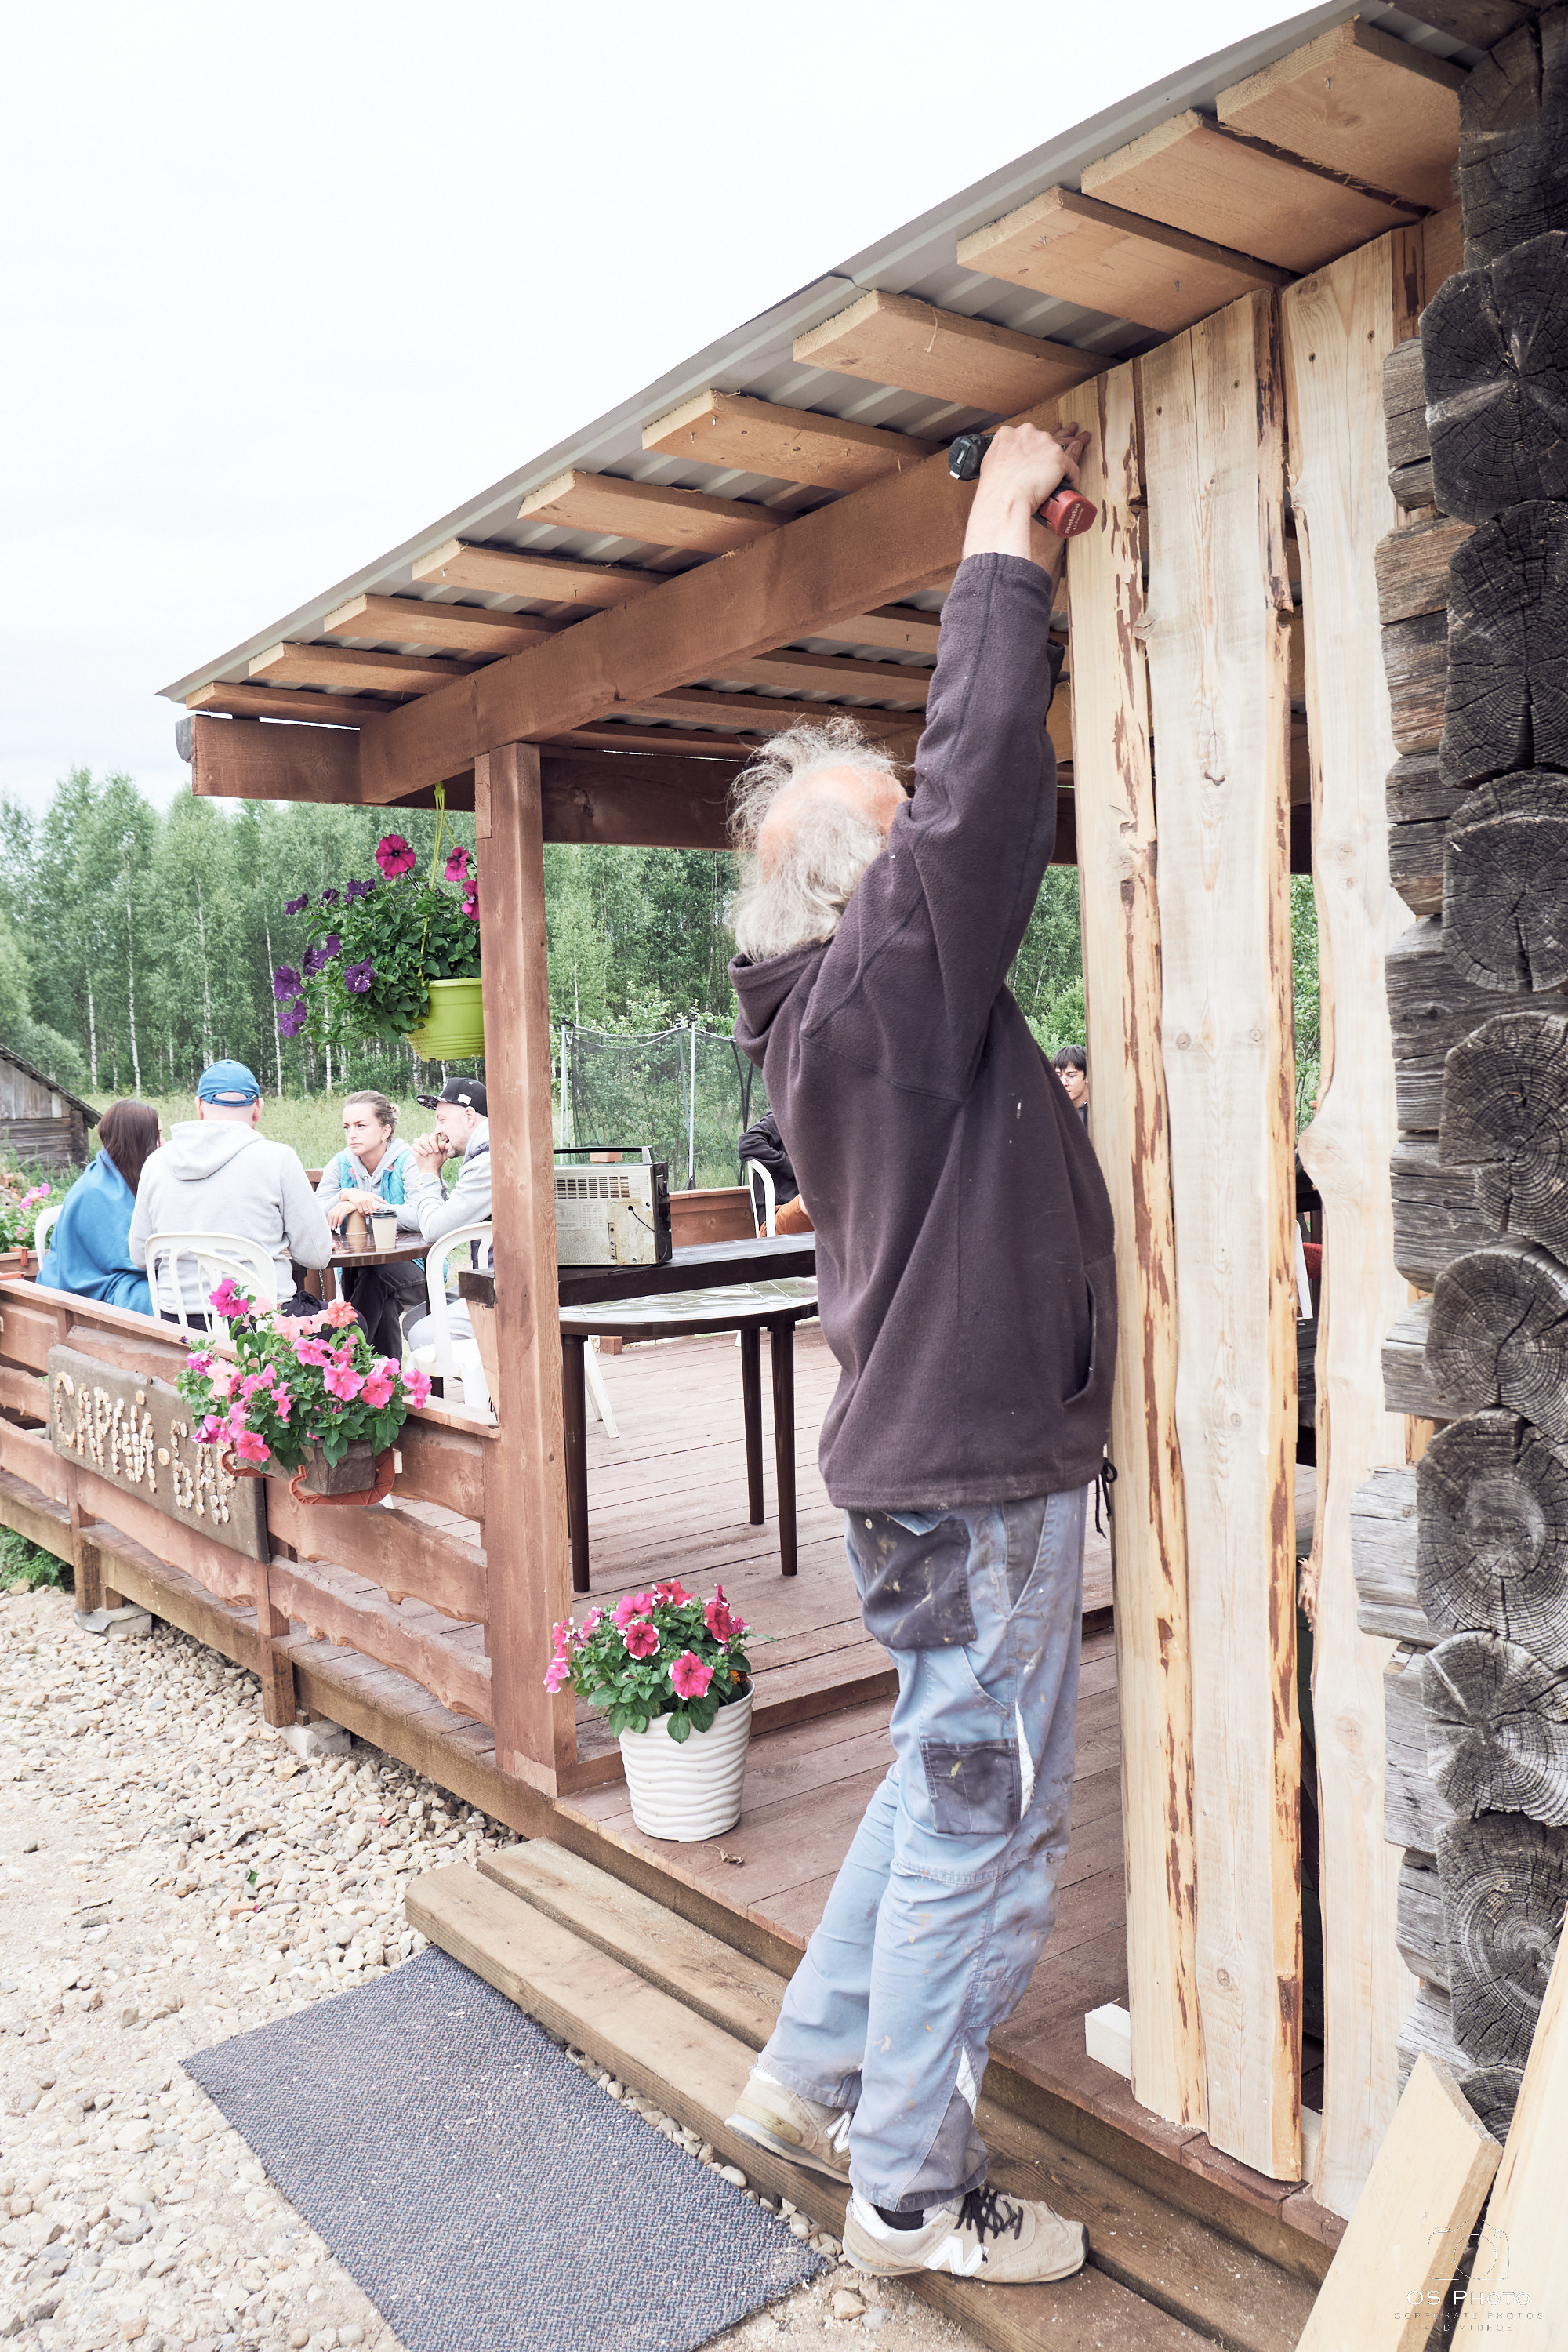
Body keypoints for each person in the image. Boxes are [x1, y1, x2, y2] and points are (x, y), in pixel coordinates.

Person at [723, 423, 1116, 2289]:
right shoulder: (878, 984)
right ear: (847, 893)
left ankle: (809, 2071)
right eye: (891, 855)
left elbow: (948, 814)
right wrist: (995, 552)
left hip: (921, 1465)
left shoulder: (848, 1007)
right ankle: (902, 2190)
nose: (931, 874)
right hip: (971, 1472)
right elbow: (965, 802)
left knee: (929, 1773)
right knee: (993, 1820)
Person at [128, 1060, 335, 1325]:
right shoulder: (278, 1158)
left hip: (180, 1324)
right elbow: (317, 1256)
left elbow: (139, 1256)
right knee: (353, 1324)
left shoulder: (156, 1163)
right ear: (258, 1108)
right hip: (262, 1326)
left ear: (199, 1106)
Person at [315, 1089, 425, 1357]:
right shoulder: (342, 1163)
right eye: (347, 1127)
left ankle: (344, 1354)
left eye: (361, 1126)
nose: (352, 1134)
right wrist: (346, 1194)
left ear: (385, 1131)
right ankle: (386, 1380)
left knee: (376, 1275)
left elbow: (422, 1215)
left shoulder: (407, 1161)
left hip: (418, 1268)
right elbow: (314, 1212)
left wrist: (368, 1206)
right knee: (377, 1288)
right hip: (360, 1271)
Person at [35, 1099, 159, 1316]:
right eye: (157, 1135)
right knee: (162, 1296)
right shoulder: (97, 1190)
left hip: (108, 1275)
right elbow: (132, 1259)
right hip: (86, 1286)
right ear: (138, 1140)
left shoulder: (122, 1177)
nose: (163, 1142)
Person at [401, 1077, 492, 1362]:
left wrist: (427, 1172)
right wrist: (434, 1174)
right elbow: (441, 1219)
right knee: (414, 1318)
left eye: (441, 1120)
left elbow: (434, 1230)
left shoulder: (487, 1162)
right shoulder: (483, 1153)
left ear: (468, 1116)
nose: (437, 1131)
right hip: (489, 1279)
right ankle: (484, 1388)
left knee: (422, 1333)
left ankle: (488, 1390)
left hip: (506, 1289)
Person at [1051, 1044, 1089, 1127]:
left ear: (1087, 1077)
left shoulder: (1100, 1114)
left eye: (1071, 1076)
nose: (1063, 1082)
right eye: (1058, 1076)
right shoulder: (1051, 1114)